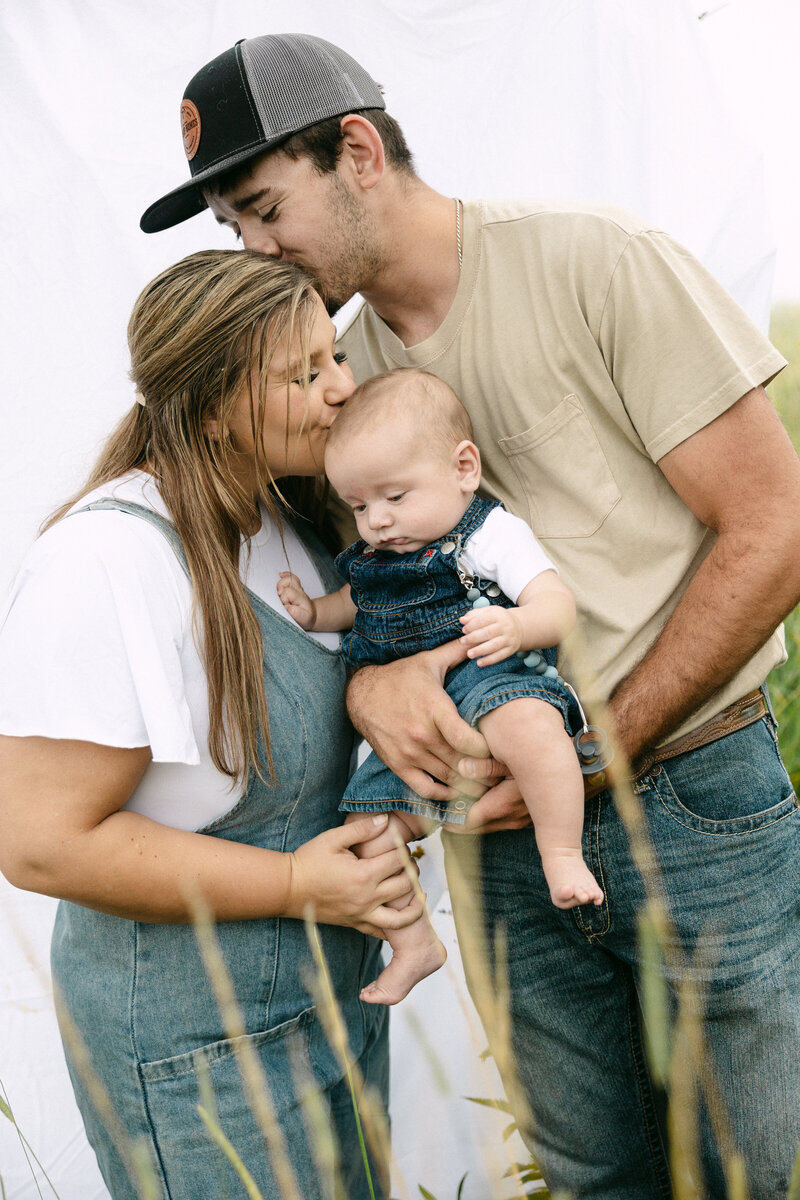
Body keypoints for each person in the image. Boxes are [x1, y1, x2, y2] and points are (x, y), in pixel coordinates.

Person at [139, 34, 800, 1198]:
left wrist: (608, 745)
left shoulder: (594, 262)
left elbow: (774, 526)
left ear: (354, 151)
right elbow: (356, 617)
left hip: (693, 790)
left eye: (261, 210)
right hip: (489, 832)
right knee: (593, 1176)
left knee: (761, 1167)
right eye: (230, 230)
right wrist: (369, 684)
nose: (253, 252)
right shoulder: (326, 378)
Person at [0, 248, 425, 1200]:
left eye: (335, 358)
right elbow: (39, 845)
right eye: (305, 373)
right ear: (210, 408)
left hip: (329, 1002)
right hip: (202, 1051)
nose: (343, 389)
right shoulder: (104, 561)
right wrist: (292, 880)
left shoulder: (288, 516)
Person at [277, 367, 603, 1005]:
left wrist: (517, 624)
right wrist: (316, 613)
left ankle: (561, 850)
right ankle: (413, 942)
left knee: (533, 731)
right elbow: (359, 603)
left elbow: (556, 604)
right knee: (365, 835)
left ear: (463, 468)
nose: (377, 521)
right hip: (411, 724)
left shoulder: (487, 534)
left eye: (395, 497)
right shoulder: (377, 554)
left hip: (492, 675)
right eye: (360, 506)